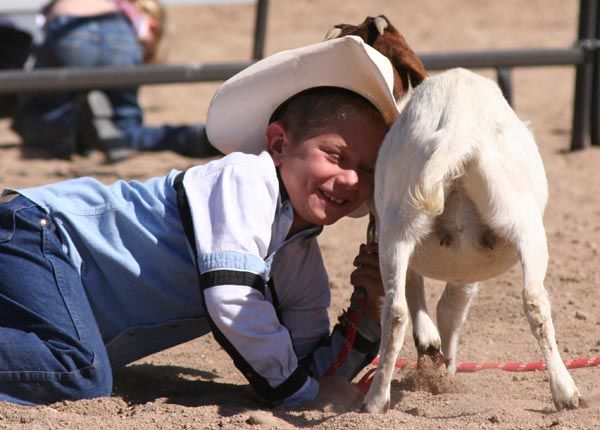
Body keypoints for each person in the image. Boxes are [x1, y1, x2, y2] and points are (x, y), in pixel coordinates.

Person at [0, 35, 398, 409]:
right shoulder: (245, 178)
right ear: (278, 145)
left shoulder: (300, 261)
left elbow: (306, 370)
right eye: (335, 156)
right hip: (38, 231)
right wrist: (303, 393)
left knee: (78, 365)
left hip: (42, 260)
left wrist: (367, 319)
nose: (351, 179)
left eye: (367, 169)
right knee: (80, 372)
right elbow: (232, 300)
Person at [11, 0, 219, 162]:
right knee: (126, 129)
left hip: (69, 30)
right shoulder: (127, 9)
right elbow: (145, 34)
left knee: (38, 115)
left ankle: (76, 121)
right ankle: (193, 137)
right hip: (119, 33)